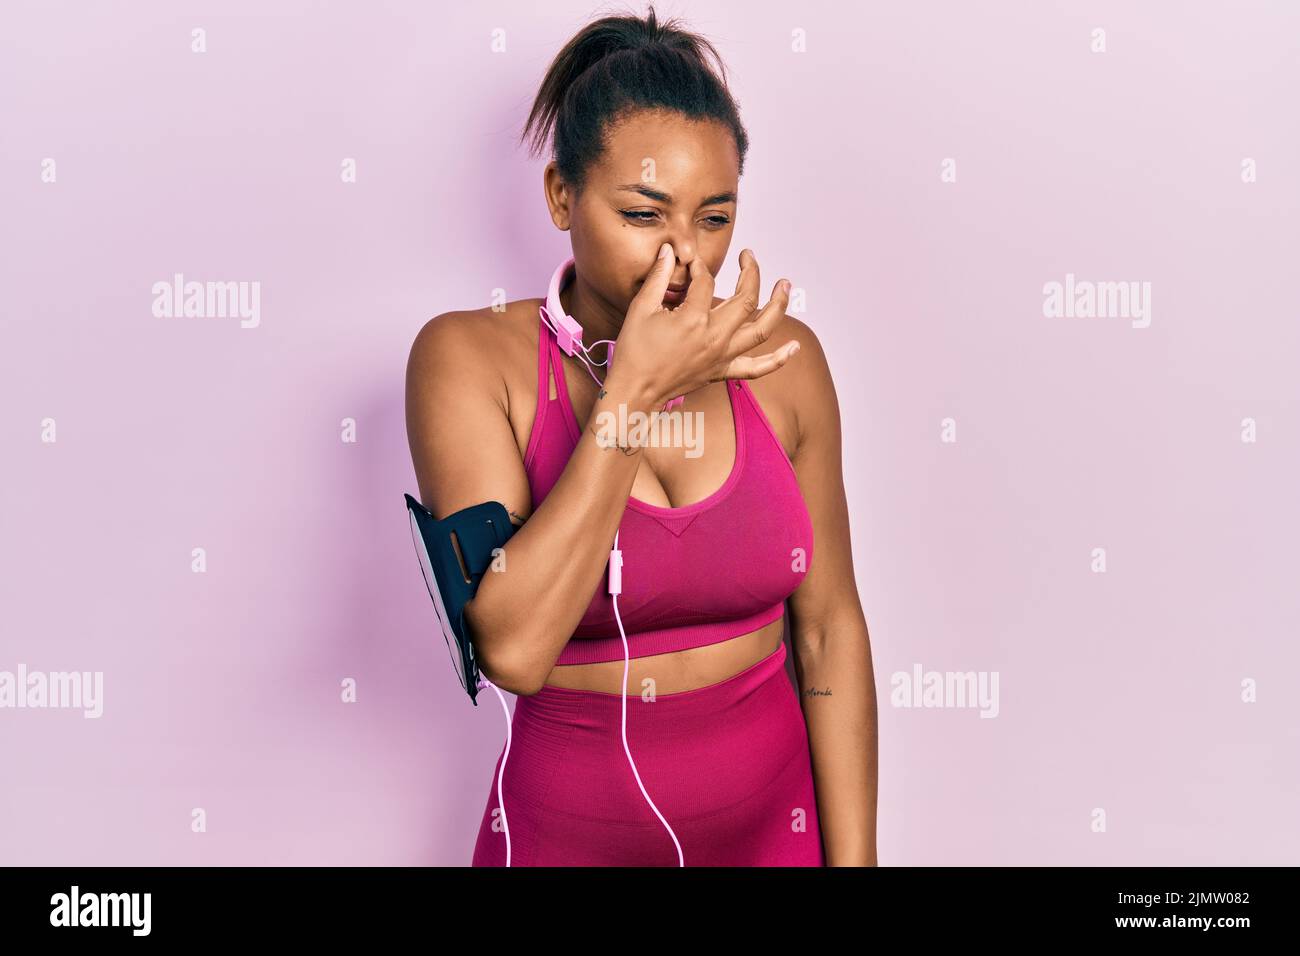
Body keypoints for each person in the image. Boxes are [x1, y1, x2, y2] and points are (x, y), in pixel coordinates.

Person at [406, 4, 877, 866]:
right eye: (643, 214)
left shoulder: (784, 361)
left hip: (777, 838)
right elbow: (512, 647)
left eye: (714, 217)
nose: (684, 258)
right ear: (561, 196)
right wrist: (632, 394)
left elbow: (828, 630)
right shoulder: (469, 360)